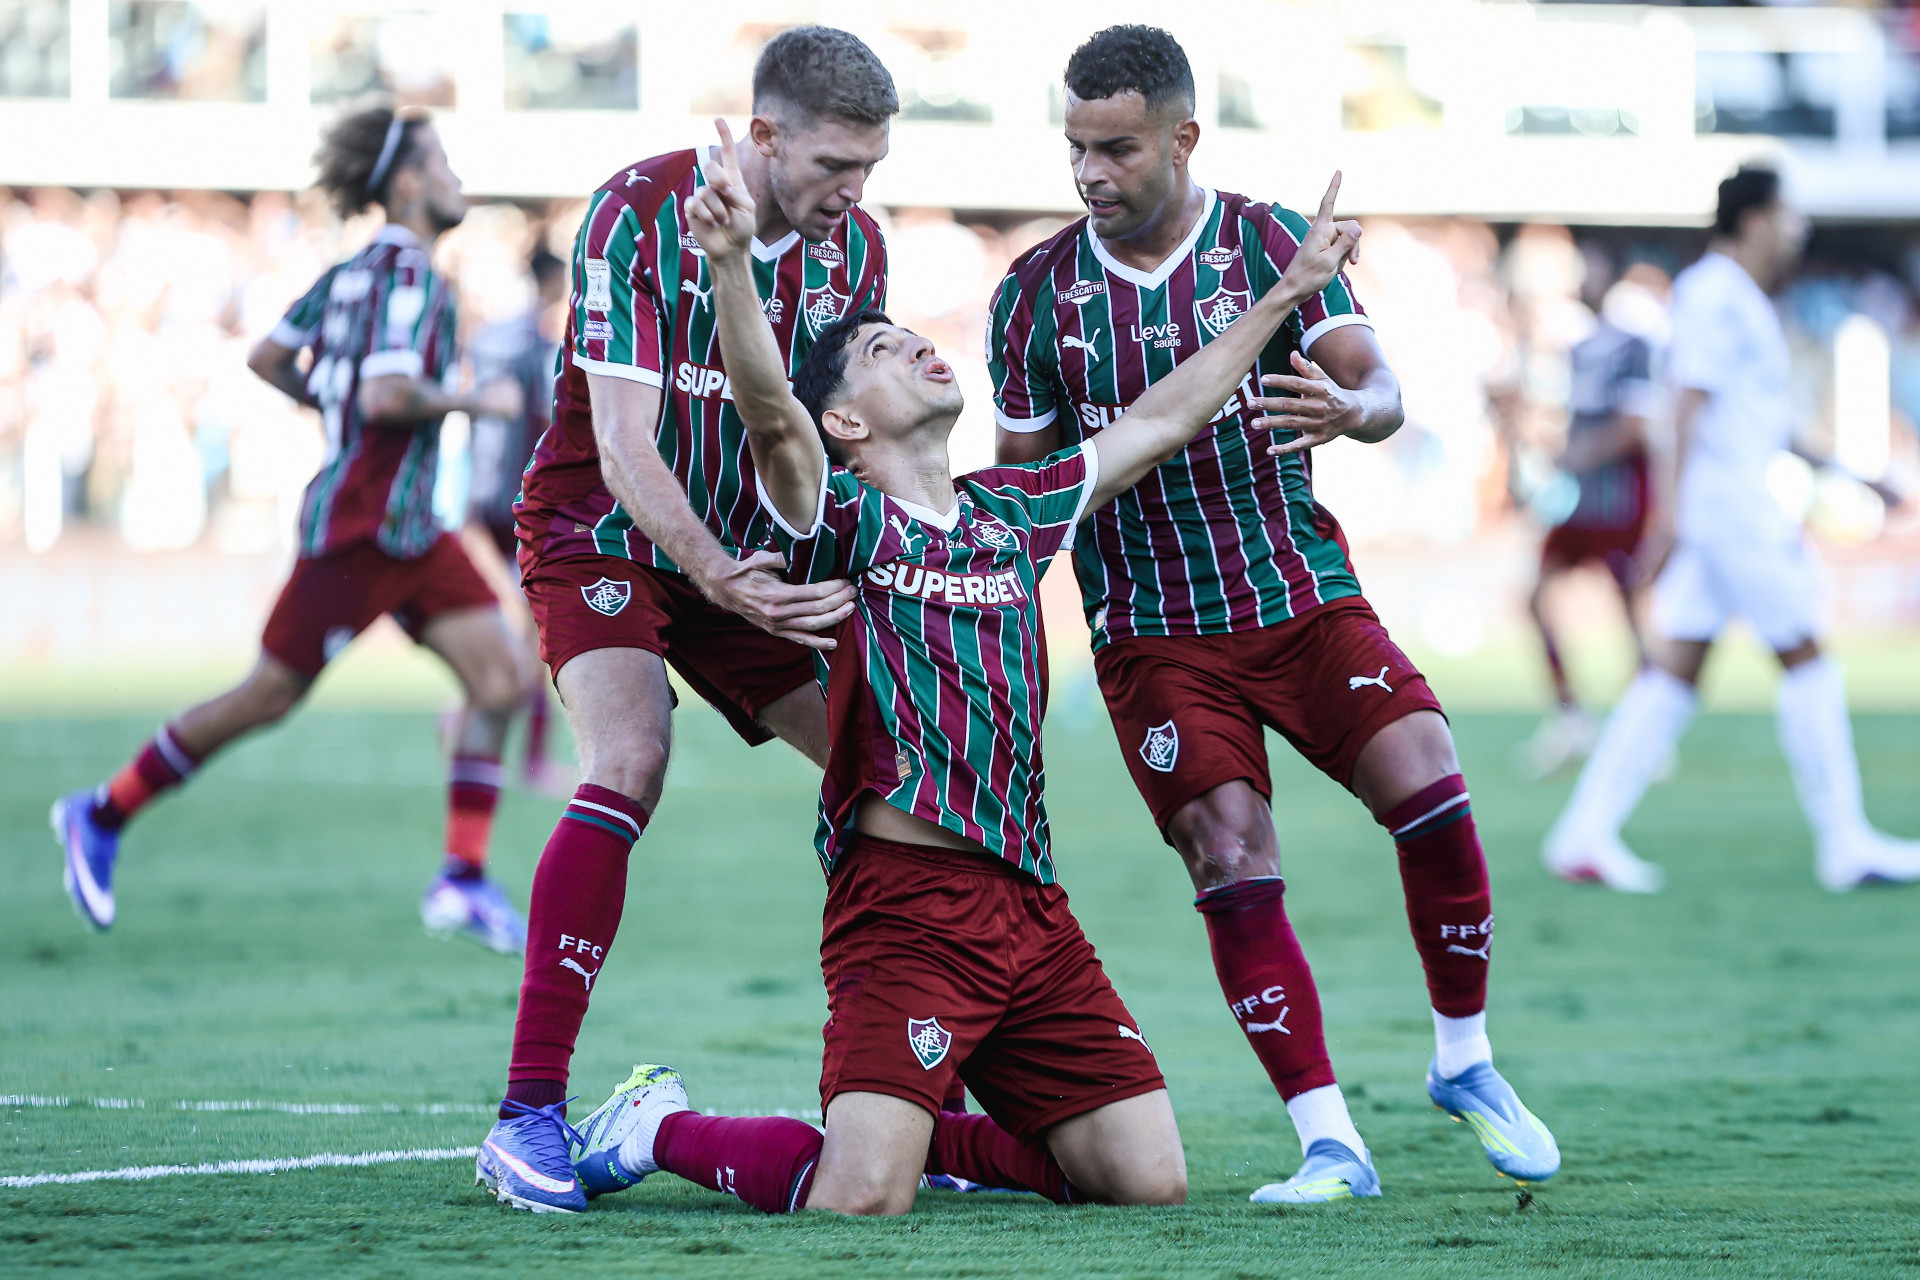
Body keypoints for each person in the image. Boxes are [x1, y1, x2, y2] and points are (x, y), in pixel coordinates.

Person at [552, 123, 1365, 1220]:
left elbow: (1166, 414)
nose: (919, 345)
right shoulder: (841, 516)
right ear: (847, 418)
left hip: (1031, 905)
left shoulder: (1015, 512)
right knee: (857, 1200)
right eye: (884, 349)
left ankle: (930, 1130)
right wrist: (738, 268)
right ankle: (654, 1124)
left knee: (1146, 1178)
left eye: (915, 336)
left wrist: (1286, 294)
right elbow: (769, 418)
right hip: (906, 912)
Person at [987, 26, 1559, 1203]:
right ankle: (1330, 1140)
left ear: (1184, 137)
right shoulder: (1036, 296)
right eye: (1076, 148)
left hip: (1297, 595)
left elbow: (1379, 380)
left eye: (1118, 148)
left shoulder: (1267, 240)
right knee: (1232, 850)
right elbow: (1025, 495)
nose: (1091, 174)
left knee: (1431, 775)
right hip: (1152, 632)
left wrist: (1361, 410)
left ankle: (1464, 1057)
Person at [474, 26, 893, 1211]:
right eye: (831, 167)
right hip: (605, 529)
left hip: (746, 545)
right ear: (764, 136)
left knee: (895, 768)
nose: (851, 194)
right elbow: (621, 445)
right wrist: (719, 576)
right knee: (632, 754)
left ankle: (911, 1082)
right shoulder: (637, 208)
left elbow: (827, 438)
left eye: (868, 169)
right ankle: (527, 1116)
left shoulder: (850, 250)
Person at [50, 103, 533, 953]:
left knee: (499, 682)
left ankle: (461, 878)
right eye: (445, 163)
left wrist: (333, 402)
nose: (459, 177)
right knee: (264, 697)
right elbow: (387, 397)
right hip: (361, 529)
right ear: (410, 182)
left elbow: (268, 355)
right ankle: (100, 810)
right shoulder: (414, 275)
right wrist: (476, 398)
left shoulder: (347, 273)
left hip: (413, 529)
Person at [1542, 165, 1920, 895]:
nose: (1799, 228)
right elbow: (1685, 405)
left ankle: (1582, 833)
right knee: (1807, 656)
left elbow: (1761, 420)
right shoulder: (1716, 292)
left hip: (1725, 509)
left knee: (1673, 672)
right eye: (1789, 213)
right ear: (1751, 219)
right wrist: (1669, 518)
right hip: (1732, 513)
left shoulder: (1734, 296)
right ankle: (1846, 842)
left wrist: (1855, 473)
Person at [1514, 259, 1666, 780]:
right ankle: (1570, 714)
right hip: (1582, 501)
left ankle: (1649, 730)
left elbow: (1638, 425)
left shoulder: (1636, 345)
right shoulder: (1577, 349)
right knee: (1536, 595)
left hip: (1622, 499)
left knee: (1630, 608)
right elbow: (1578, 423)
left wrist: (1581, 456)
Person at [464, 246, 570, 793]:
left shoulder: (492, 336)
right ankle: (531, 760)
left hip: (481, 498)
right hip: (522, 502)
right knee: (536, 638)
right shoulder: (540, 347)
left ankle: (465, 713)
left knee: (515, 630)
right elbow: (547, 424)